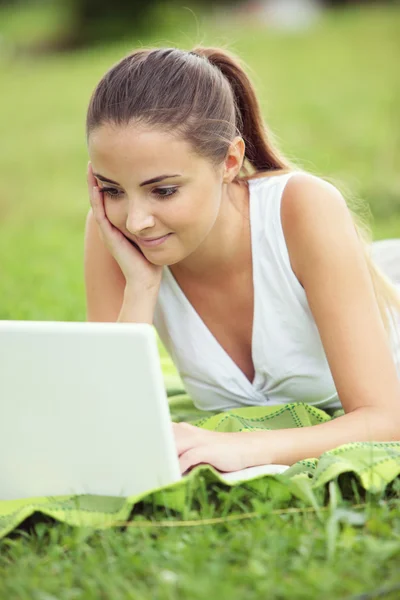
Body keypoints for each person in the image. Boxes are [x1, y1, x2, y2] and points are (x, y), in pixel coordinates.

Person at [83, 46, 400, 475]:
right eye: (112, 189)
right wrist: (140, 290)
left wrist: (245, 447)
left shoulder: (304, 207)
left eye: (163, 190)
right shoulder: (113, 232)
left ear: (230, 162)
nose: (136, 221)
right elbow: (105, 424)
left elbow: (386, 420)